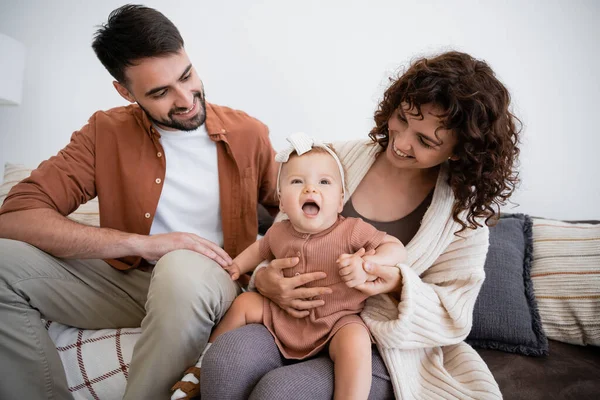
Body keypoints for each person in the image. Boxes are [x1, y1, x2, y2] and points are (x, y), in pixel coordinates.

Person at [201, 51, 521, 399]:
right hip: (290, 319)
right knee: (225, 363)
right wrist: (265, 278)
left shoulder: (462, 221)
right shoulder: (332, 158)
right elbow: (283, 234)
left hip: (374, 346)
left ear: (459, 151)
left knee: (281, 393)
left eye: (426, 141)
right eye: (402, 118)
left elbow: (454, 316)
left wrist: (397, 283)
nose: (400, 143)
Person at [0, 4, 279, 400]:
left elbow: (283, 212)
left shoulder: (248, 132)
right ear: (125, 91)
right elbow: (15, 215)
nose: (185, 99)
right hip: (129, 279)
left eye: (187, 75)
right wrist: (140, 243)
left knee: (180, 267)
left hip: (216, 281)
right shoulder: (104, 132)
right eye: (160, 92)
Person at [171, 133, 407, 400]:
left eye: (324, 182)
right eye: (297, 182)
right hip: (283, 315)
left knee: (356, 339)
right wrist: (235, 267)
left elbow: (395, 247)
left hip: (335, 321)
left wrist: (369, 263)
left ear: (340, 200)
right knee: (245, 303)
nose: (310, 189)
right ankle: (200, 369)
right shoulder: (279, 232)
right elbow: (258, 250)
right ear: (282, 202)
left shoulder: (352, 231)